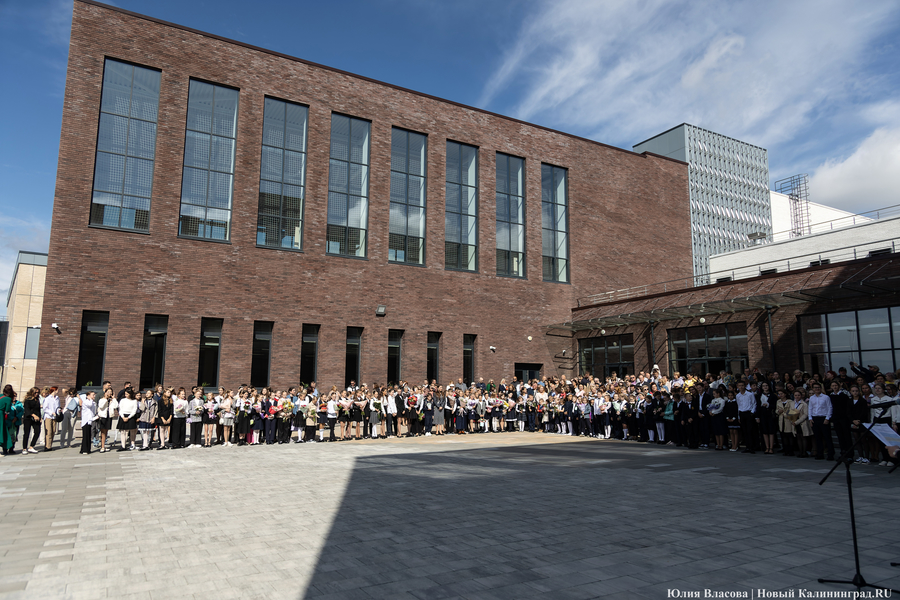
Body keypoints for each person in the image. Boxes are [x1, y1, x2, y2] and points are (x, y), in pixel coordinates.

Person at [807, 382, 834, 461]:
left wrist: (827, 418)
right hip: (815, 418)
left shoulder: (826, 397)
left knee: (827, 437)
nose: (817, 389)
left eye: (818, 387)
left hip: (823, 418)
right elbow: (810, 408)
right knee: (817, 437)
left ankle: (830, 454)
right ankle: (820, 453)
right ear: (813, 389)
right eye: (815, 387)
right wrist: (810, 418)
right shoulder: (812, 398)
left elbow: (830, 407)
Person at [22, 387, 42, 454]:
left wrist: (40, 417)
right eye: (35, 392)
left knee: (37, 431)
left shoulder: (37, 399)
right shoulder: (28, 399)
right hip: (28, 418)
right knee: (26, 433)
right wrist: (33, 415)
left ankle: (31, 446)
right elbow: (27, 409)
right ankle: (24, 448)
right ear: (32, 392)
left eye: (38, 392)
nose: (36, 394)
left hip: (36, 418)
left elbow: (38, 410)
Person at [0, 385, 14, 455]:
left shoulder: (0, 395)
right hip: (1, 415)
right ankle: (4, 447)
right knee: (3, 431)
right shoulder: (8, 399)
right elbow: (7, 410)